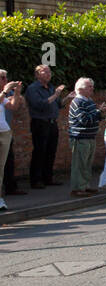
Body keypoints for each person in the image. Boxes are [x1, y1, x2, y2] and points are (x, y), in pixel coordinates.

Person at [25, 64, 67, 189]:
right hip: (40, 123)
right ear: (37, 74)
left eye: (49, 72)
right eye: (45, 72)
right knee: (39, 151)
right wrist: (56, 94)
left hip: (52, 122)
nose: (48, 74)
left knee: (51, 151)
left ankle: (48, 178)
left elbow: (58, 104)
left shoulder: (50, 87)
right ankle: (36, 180)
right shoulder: (33, 88)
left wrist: (68, 97)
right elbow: (39, 105)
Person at [67, 77, 105, 196]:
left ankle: (85, 185)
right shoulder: (78, 102)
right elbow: (84, 120)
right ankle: (77, 188)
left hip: (89, 136)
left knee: (87, 164)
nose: (92, 89)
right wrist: (98, 112)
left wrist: (101, 113)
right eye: (89, 87)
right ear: (80, 89)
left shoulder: (89, 101)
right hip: (80, 137)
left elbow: (95, 118)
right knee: (79, 164)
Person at [0, 71, 22, 210]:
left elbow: (13, 106)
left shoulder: (3, 95)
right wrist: (6, 91)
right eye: (3, 78)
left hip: (4, 132)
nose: (6, 80)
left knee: (1, 168)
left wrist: (17, 92)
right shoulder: (2, 94)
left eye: (6, 78)